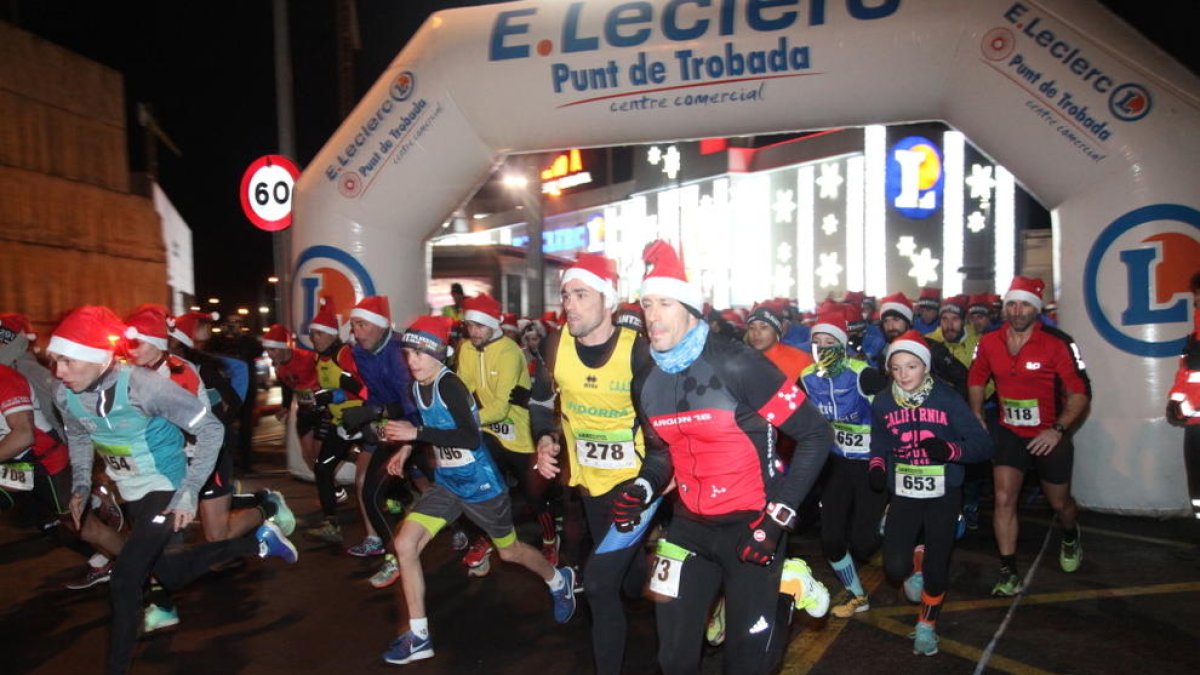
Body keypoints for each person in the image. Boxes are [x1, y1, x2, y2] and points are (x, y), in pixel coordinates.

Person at [618, 240, 832, 675]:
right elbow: (661, 456)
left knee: (748, 664)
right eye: (646, 304)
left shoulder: (739, 365)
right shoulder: (646, 380)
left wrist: (777, 521)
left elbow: (815, 434)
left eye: (664, 303)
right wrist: (640, 489)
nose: (652, 315)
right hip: (688, 529)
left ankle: (787, 583)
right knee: (673, 659)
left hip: (752, 527)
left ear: (692, 310)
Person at [48, 306, 297, 675]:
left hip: (167, 483)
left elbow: (211, 429)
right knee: (169, 572)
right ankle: (256, 541)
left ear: (98, 359)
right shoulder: (63, 392)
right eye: (54, 362)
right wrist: (82, 483)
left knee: (125, 579)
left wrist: (189, 491)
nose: (59, 372)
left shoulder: (142, 385)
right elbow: (81, 435)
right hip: (131, 489)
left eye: (68, 362)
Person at [378, 315, 576, 666]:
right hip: (448, 484)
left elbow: (469, 437)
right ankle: (419, 635)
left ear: (439, 354)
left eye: (420, 355)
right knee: (405, 543)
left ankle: (559, 580)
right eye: (408, 355)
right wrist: (408, 446)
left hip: (481, 485)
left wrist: (415, 436)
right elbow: (428, 425)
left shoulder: (450, 385)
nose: (413, 363)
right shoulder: (416, 387)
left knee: (510, 552)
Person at [532, 252, 661, 675]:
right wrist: (546, 440)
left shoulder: (638, 353)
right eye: (566, 294)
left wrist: (650, 484)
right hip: (589, 482)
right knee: (625, 581)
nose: (569, 303)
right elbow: (545, 406)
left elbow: (661, 434)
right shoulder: (555, 344)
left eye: (581, 294)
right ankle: (640, 563)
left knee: (601, 585)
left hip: (633, 485)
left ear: (608, 300)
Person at [869, 331, 993, 655]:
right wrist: (878, 466)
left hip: (944, 492)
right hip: (905, 492)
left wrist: (949, 450)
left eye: (911, 366)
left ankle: (926, 626)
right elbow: (880, 440)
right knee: (895, 568)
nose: (903, 375)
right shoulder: (883, 401)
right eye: (896, 368)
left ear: (925, 367)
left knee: (938, 570)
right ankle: (916, 565)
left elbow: (982, 445)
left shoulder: (947, 398)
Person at [968, 276, 1091, 596]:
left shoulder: (1058, 342)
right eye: (1011, 303)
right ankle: (1008, 571)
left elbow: (1080, 392)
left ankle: (1069, 534)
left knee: (1059, 502)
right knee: (1003, 498)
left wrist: (1058, 429)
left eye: (1023, 304)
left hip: (1049, 434)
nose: (1017, 310)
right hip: (1010, 432)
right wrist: (977, 414)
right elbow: (977, 377)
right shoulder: (991, 340)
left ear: (1035, 308)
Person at [456, 292, 555, 573]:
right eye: (470, 326)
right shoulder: (466, 349)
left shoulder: (510, 352)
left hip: (520, 434)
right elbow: (462, 391)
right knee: (487, 492)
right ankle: (487, 540)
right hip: (488, 431)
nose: (473, 332)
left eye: (479, 326)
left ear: (493, 324)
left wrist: (465, 420)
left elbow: (500, 408)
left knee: (535, 496)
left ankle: (550, 540)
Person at [800, 311, 888, 618]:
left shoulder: (863, 374)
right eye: (817, 342)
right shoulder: (807, 378)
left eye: (830, 342)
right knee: (832, 538)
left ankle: (896, 521)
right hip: (836, 465)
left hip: (870, 464)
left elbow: (889, 418)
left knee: (865, 543)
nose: (823, 349)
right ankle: (857, 595)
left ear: (843, 345)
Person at [339, 295, 423, 589]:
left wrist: (376, 413)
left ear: (379, 326)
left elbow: (413, 404)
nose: (356, 332)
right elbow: (375, 394)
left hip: (419, 427)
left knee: (435, 490)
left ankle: (470, 534)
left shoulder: (401, 351)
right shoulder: (361, 352)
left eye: (362, 325)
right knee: (366, 487)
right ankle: (386, 549)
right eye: (354, 325)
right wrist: (370, 418)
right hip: (388, 424)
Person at [304, 299, 368, 543]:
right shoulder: (319, 358)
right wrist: (320, 400)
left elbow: (364, 390)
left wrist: (339, 393)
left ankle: (401, 497)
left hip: (361, 420)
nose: (314, 338)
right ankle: (331, 523)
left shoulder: (344, 354)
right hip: (340, 423)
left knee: (377, 469)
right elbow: (328, 388)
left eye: (319, 333)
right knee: (322, 467)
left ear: (332, 335)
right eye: (312, 334)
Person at [1166, 272, 1200, 534]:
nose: (1196, 301)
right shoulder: (1193, 338)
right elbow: (1185, 375)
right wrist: (1174, 401)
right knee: (1197, 489)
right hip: (1194, 426)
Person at [262, 323, 321, 469]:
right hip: (304, 410)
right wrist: (285, 407)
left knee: (322, 457)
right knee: (307, 455)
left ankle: (331, 488)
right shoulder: (277, 366)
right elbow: (286, 387)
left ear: (284, 347)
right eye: (267, 350)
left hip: (323, 409)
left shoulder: (307, 357)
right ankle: (326, 488)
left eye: (273, 349)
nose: (269, 354)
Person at [745, 303, 813, 384]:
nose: (756, 333)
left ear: (777, 331)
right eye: (751, 328)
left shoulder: (800, 359)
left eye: (764, 327)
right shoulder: (744, 361)